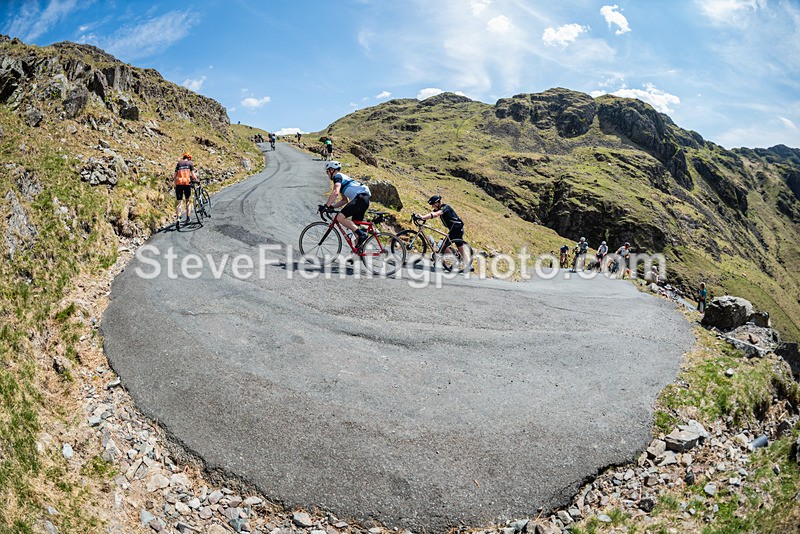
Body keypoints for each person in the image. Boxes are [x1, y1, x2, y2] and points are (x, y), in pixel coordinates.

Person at [322, 161, 370, 248]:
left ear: (332, 170)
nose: (327, 174)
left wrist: (326, 206)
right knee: (355, 231)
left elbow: (335, 192)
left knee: (340, 217)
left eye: (327, 171)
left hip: (360, 198)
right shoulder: (343, 180)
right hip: (363, 200)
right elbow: (345, 200)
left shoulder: (337, 177)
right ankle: (357, 255)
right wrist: (332, 206)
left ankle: (362, 234)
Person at [414, 195, 467, 259]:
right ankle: (469, 265)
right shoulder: (438, 209)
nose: (432, 206)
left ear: (438, 202)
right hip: (455, 228)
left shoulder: (445, 207)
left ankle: (454, 261)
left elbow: (436, 214)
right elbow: (431, 214)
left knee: (444, 246)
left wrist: (422, 217)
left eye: (433, 204)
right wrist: (420, 217)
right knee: (460, 247)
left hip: (456, 228)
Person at [173, 152, 198, 229]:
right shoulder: (190, 163)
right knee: (188, 201)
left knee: (179, 202)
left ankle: (178, 218)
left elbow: (174, 175)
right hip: (187, 183)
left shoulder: (178, 164)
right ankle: (188, 218)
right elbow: (193, 176)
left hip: (179, 184)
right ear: (189, 158)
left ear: (183, 157)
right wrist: (196, 180)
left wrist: (175, 183)